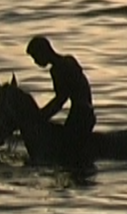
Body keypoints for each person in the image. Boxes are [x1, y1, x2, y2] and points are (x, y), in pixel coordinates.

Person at [26, 36, 97, 164]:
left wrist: (41, 116)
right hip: (88, 112)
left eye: (35, 57)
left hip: (80, 116)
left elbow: (60, 100)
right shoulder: (69, 60)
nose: (35, 62)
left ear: (43, 52)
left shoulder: (57, 69)